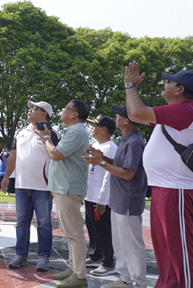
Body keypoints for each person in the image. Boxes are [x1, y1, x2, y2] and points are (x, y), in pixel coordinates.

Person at [123, 62, 193, 288]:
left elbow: (137, 113)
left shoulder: (185, 110)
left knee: (178, 247)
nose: (164, 85)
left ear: (179, 90)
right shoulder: (174, 112)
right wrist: (130, 89)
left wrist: (130, 86)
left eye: (169, 82)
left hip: (176, 188)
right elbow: (135, 114)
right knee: (164, 245)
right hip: (164, 186)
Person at [84, 105, 148, 288]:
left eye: (118, 115)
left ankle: (138, 282)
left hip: (128, 200)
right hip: (119, 200)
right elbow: (121, 165)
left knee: (131, 244)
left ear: (126, 121)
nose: (116, 118)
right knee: (120, 243)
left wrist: (102, 163)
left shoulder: (134, 142)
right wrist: (103, 158)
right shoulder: (126, 139)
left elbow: (128, 174)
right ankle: (125, 279)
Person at [36, 99, 91, 288]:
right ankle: (74, 268)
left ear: (75, 114)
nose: (62, 110)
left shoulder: (77, 131)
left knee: (74, 233)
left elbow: (56, 154)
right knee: (69, 232)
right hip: (64, 188)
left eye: (66, 108)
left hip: (68, 188)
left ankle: (80, 275)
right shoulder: (74, 131)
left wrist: (46, 138)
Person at [2, 100, 59, 271]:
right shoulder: (21, 132)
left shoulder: (52, 133)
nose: (30, 110)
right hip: (21, 186)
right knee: (21, 223)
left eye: (34, 108)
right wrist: (6, 177)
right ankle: (21, 254)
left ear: (44, 113)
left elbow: (57, 160)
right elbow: (13, 156)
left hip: (43, 187)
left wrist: (54, 185)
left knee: (44, 224)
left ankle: (43, 257)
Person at [84, 115, 117, 277]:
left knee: (103, 230)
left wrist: (102, 200)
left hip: (100, 198)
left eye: (95, 125)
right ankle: (95, 256)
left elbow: (108, 176)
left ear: (104, 129)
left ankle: (108, 262)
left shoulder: (110, 147)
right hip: (90, 195)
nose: (92, 128)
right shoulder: (96, 146)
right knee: (92, 227)